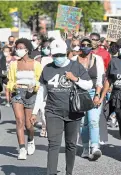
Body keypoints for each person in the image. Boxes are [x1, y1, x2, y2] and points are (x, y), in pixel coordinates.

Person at [31, 39, 93, 175]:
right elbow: (42, 92)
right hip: (53, 111)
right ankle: (51, 173)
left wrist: (75, 79)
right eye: (55, 55)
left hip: (73, 111)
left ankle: (68, 172)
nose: (58, 58)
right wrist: (35, 112)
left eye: (60, 54)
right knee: (53, 144)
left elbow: (89, 85)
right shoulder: (47, 68)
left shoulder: (76, 66)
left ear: (66, 53)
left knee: (71, 145)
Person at [7, 38, 42, 160]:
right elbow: (10, 81)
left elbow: (40, 81)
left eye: (21, 48)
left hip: (31, 93)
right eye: (17, 48)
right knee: (19, 121)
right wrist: (13, 86)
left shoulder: (36, 64)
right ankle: (22, 148)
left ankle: (31, 140)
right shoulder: (13, 64)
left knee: (28, 124)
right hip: (17, 93)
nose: (18, 50)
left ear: (27, 49)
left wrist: (35, 87)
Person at [77, 38, 105, 160]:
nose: (86, 47)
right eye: (83, 45)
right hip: (79, 94)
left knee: (93, 120)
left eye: (88, 45)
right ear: (80, 46)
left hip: (94, 92)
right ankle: (85, 147)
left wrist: (98, 95)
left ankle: (95, 147)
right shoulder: (74, 60)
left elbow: (100, 79)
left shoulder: (97, 59)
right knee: (83, 123)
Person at [33, 37, 54, 137]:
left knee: (48, 109)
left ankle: (48, 127)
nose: (46, 49)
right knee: (42, 110)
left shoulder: (55, 59)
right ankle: (44, 126)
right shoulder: (38, 59)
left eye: (48, 47)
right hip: (41, 86)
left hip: (52, 88)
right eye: (44, 47)